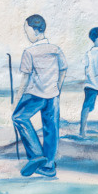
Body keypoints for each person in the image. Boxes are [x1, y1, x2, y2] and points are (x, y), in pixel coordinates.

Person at [15, 14, 65, 178]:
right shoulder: (55, 49)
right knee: (51, 128)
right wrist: (58, 86)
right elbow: (63, 69)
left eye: (27, 30)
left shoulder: (29, 52)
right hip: (53, 95)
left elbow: (25, 78)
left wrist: (17, 97)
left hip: (35, 94)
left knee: (19, 117)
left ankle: (36, 155)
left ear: (35, 30)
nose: (26, 34)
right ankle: (49, 165)